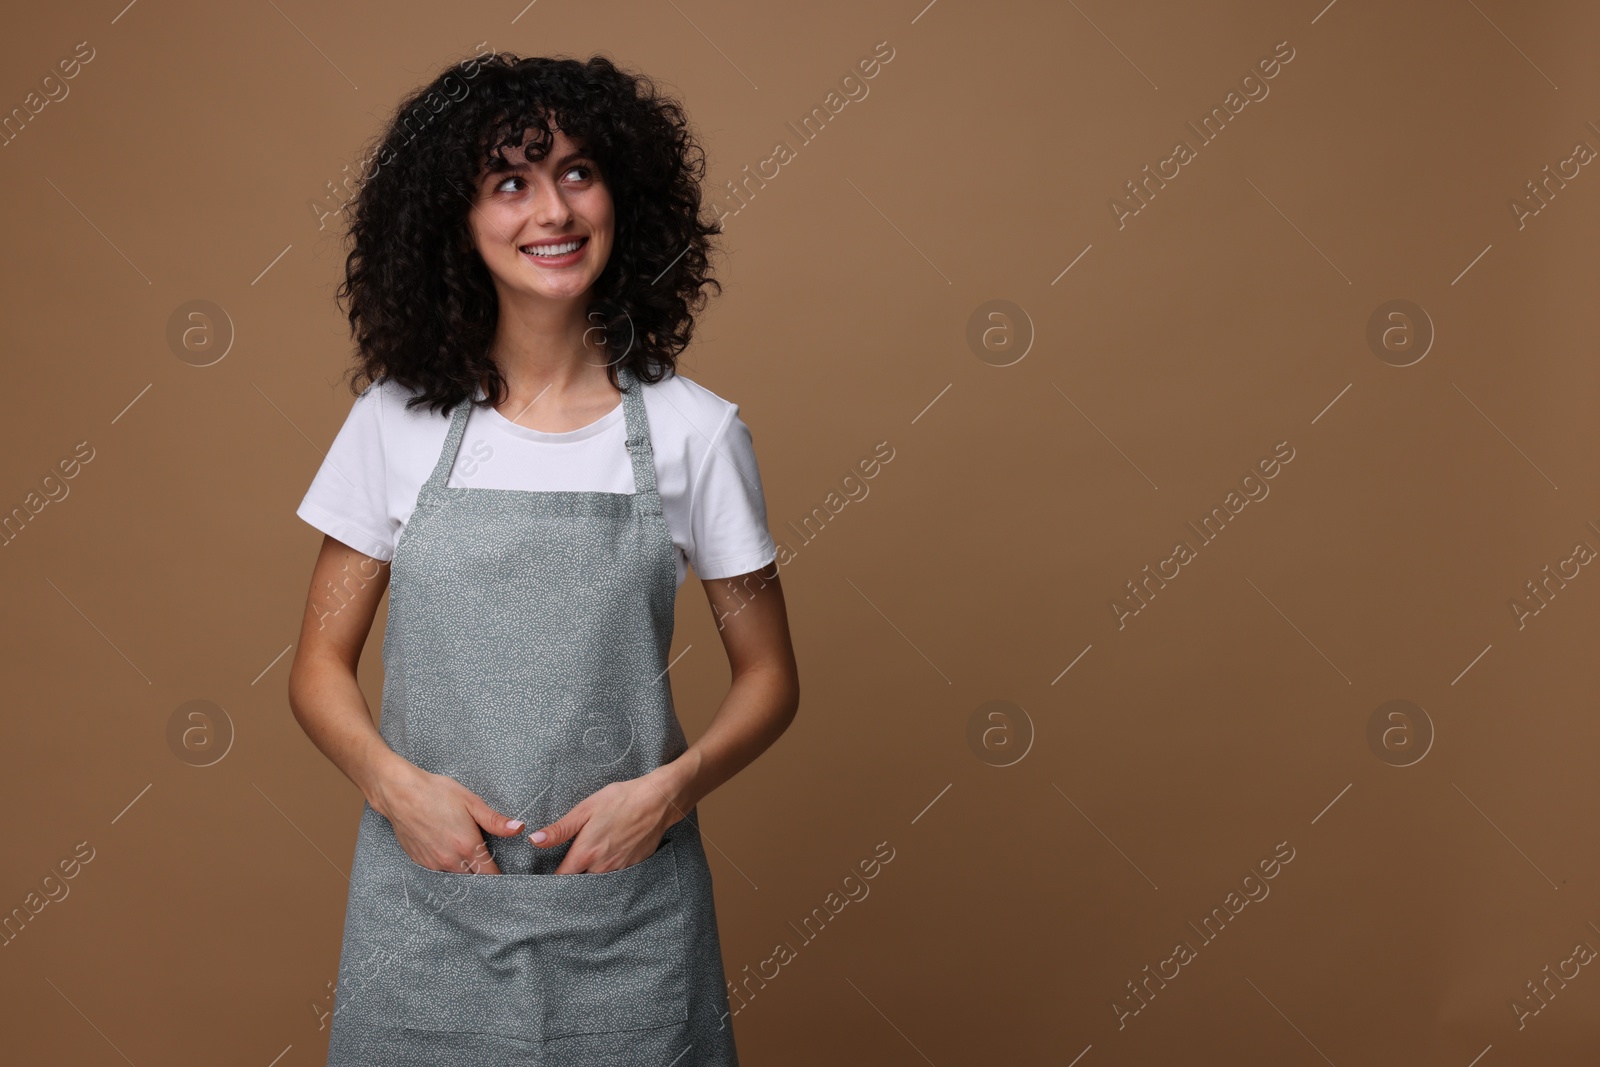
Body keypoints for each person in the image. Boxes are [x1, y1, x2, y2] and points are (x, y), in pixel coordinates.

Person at [286, 49, 800, 1066]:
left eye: (576, 172)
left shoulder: (696, 433)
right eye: (508, 182)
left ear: (622, 197)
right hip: (424, 911)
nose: (551, 212)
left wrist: (669, 789)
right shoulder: (392, 426)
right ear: (455, 221)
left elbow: (771, 677)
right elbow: (314, 666)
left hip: (629, 916)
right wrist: (396, 789)